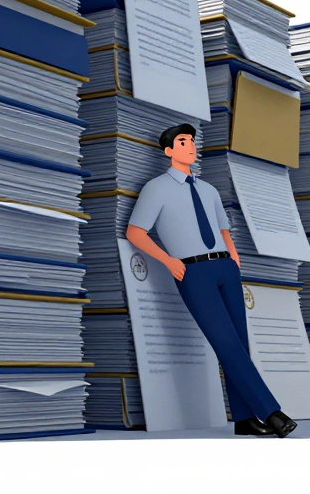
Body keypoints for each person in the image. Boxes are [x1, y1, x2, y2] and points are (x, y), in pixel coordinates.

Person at [125, 123, 297, 438]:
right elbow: (135, 232)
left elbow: (222, 228)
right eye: (182, 141)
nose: (190, 145)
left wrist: (233, 257)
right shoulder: (156, 188)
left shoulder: (208, 189)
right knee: (225, 341)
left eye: (192, 140)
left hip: (224, 268)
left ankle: (244, 421)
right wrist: (168, 261)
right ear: (168, 151)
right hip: (193, 271)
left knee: (239, 344)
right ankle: (271, 412)